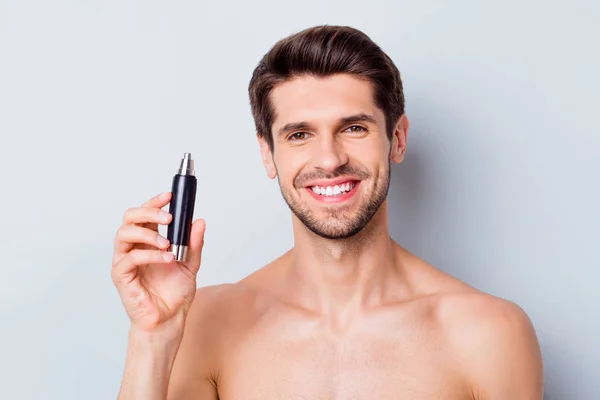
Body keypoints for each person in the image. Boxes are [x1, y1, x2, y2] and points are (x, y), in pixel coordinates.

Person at [111, 25, 544, 399]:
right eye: (299, 134)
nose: (330, 158)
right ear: (268, 154)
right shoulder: (208, 322)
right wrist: (152, 338)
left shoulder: (488, 333)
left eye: (354, 128)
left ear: (397, 138)